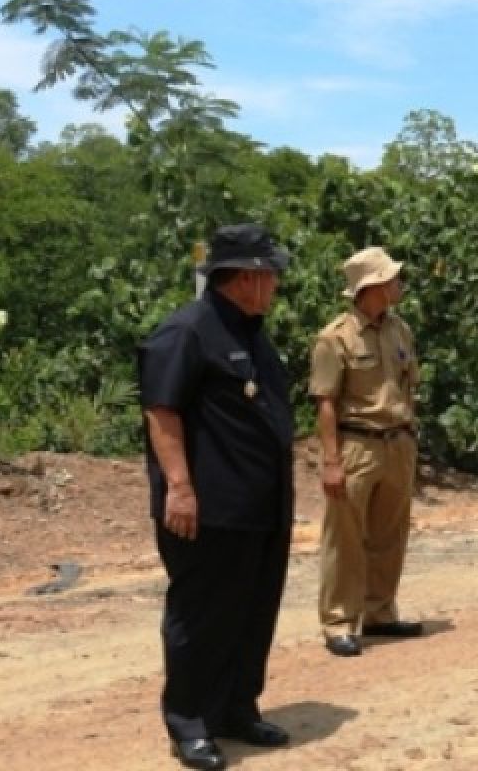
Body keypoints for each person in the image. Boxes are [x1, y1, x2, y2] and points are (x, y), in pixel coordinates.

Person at [139, 224, 294, 771]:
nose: (276, 284)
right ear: (246, 278)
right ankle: (189, 722)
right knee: (201, 616)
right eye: (270, 274)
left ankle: (235, 709)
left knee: (252, 612)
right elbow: (162, 412)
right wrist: (179, 488)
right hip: (209, 509)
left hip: (261, 506)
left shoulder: (251, 331)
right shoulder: (186, 332)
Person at [309, 246, 422, 658]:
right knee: (346, 538)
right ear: (372, 286)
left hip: (398, 442)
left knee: (390, 534)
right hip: (357, 444)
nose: (398, 283)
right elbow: (325, 402)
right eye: (391, 278)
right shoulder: (334, 337)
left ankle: (379, 612)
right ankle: (339, 621)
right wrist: (332, 461)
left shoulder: (400, 329)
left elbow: (410, 385)